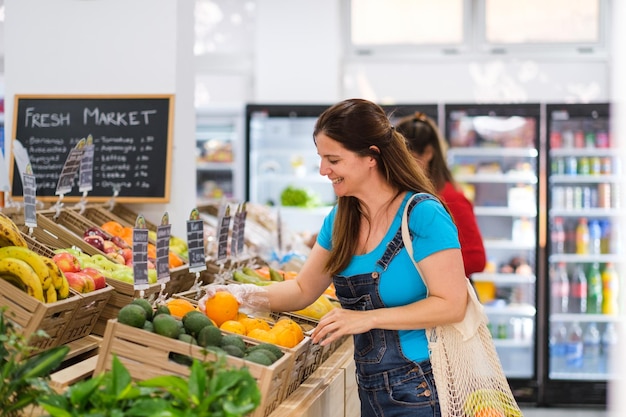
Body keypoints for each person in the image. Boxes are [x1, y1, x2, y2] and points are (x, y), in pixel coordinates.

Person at [201, 98, 468, 417]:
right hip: (370, 386)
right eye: (321, 158)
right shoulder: (341, 219)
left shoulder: (423, 214)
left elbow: (452, 303)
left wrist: (366, 318)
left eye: (333, 159)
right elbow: (303, 289)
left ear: (371, 156)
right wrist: (244, 295)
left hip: (424, 386)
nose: (323, 170)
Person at [395, 112, 486, 278]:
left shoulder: (451, 199)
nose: (401, 167)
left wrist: (423, 268)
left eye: (408, 159)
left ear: (428, 153)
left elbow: (476, 259)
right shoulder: (402, 196)